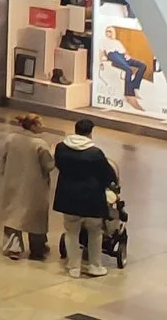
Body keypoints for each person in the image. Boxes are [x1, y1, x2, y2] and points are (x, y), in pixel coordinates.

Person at [55, 117, 120, 277]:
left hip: (68, 198)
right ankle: (95, 266)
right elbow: (108, 175)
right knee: (95, 233)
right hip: (92, 200)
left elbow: (58, 165)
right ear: (90, 133)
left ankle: (73, 267)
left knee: (71, 233)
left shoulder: (61, 148)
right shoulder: (95, 153)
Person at [0, 113, 55, 261]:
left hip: (13, 181)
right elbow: (49, 165)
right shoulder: (40, 144)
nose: (43, 126)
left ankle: (13, 248)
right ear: (33, 126)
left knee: (13, 216)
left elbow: (4, 158)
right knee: (36, 218)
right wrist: (53, 152)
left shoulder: (11, 139)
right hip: (34, 185)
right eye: (40, 124)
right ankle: (38, 249)